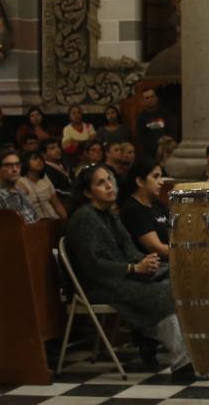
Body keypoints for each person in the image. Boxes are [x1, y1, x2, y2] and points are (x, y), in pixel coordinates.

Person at [65, 164, 179, 372]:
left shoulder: (109, 214)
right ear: (87, 192)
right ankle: (181, 361)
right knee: (164, 292)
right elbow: (93, 265)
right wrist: (134, 268)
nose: (109, 186)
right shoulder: (84, 218)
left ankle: (151, 339)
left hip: (122, 276)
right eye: (101, 183)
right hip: (100, 284)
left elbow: (129, 249)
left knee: (176, 277)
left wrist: (146, 261)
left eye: (109, 180)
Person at [119, 157, 172, 260]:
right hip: (154, 266)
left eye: (161, 177)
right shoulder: (133, 209)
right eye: (156, 177)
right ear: (140, 181)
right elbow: (156, 248)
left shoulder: (158, 204)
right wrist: (187, 252)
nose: (161, 182)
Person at [0, 147, 39, 222]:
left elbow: (35, 218)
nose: (15, 169)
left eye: (17, 164)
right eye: (8, 165)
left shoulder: (19, 190)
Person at [17, 150, 63, 220]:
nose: (39, 161)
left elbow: (56, 203)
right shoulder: (20, 182)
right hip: (35, 223)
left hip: (53, 219)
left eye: (41, 159)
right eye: (35, 159)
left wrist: (64, 219)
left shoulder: (44, 177)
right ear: (25, 163)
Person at [133, 88, 174, 159]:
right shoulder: (141, 118)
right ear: (143, 101)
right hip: (150, 155)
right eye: (147, 98)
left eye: (152, 96)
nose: (150, 99)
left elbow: (171, 131)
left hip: (167, 151)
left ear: (157, 98)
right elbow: (141, 139)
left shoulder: (165, 114)